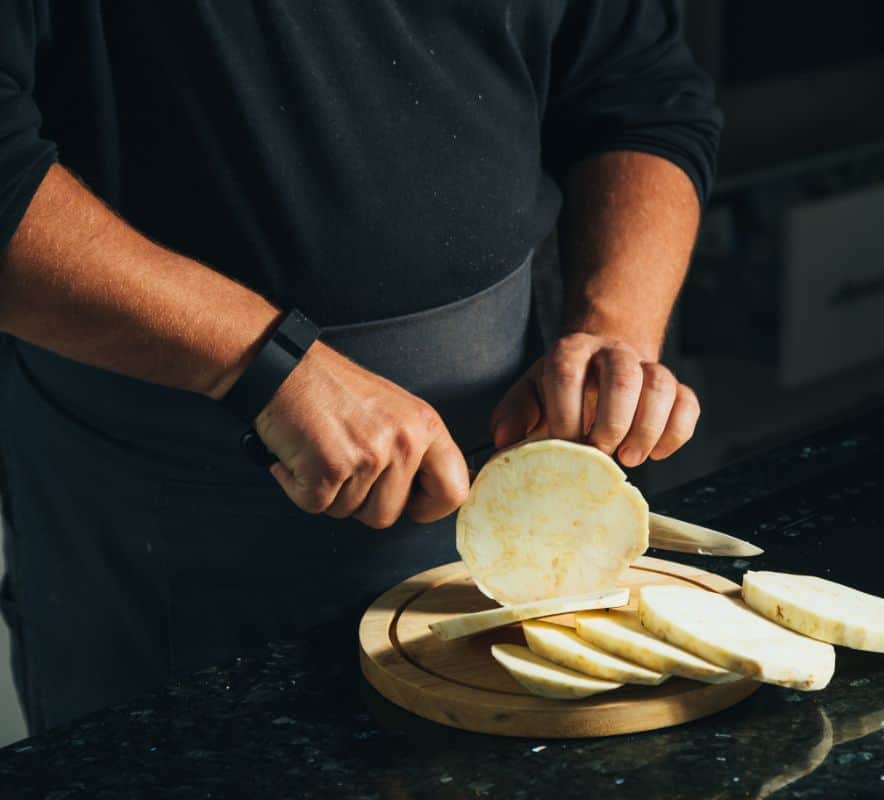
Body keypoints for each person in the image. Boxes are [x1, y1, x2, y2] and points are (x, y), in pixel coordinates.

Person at [0, 2, 720, 733]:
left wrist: (616, 328)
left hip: (514, 487)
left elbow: (635, 88)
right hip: (163, 541)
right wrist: (266, 364)